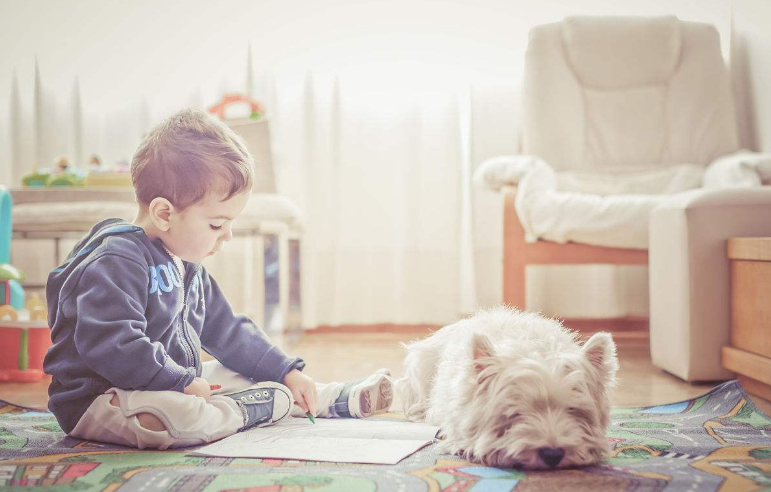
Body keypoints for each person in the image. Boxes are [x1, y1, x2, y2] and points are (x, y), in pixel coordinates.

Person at [43, 109, 393, 449]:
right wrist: (180, 381)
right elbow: (113, 345)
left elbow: (228, 329)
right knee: (183, 418)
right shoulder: (115, 261)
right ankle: (263, 407)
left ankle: (321, 396)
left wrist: (286, 371)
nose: (226, 236)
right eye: (216, 224)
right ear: (164, 213)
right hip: (101, 398)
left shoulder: (184, 261)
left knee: (244, 377)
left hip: (169, 382)